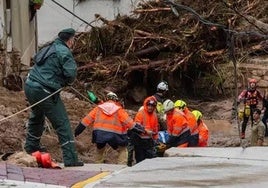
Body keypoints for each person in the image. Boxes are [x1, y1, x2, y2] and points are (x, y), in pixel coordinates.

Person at [24, 28, 83, 167]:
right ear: (70, 40)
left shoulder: (49, 47)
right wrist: (67, 82)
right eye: (73, 40)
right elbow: (71, 73)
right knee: (62, 123)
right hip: (44, 90)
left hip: (30, 85)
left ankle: (31, 147)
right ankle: (71, 159)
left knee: (37, 116)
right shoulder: (64, 52)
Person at [74, 92, 144, 164]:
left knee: (100, 150)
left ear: (106, 99)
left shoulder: (98, 108)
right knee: (122, 150)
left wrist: (78, 131)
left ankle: (98, 166)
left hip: (99, 134)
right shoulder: (119, 110)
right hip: (115, 135)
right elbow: (129, 123)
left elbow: (86, 120)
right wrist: (140, 130)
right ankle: (121, 166)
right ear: (116, 100)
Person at [133, 96, 159, 164]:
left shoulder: (155, 115)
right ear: (146, 105)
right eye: (149, 105)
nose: (150, 107)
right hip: (139, 140)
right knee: (140, 160)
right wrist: (146, 131)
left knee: (150, 160)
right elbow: (137, 126)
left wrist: (156, 139)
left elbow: (155, 128)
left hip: (149, 141)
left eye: (152, 106)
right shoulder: (140, 113)